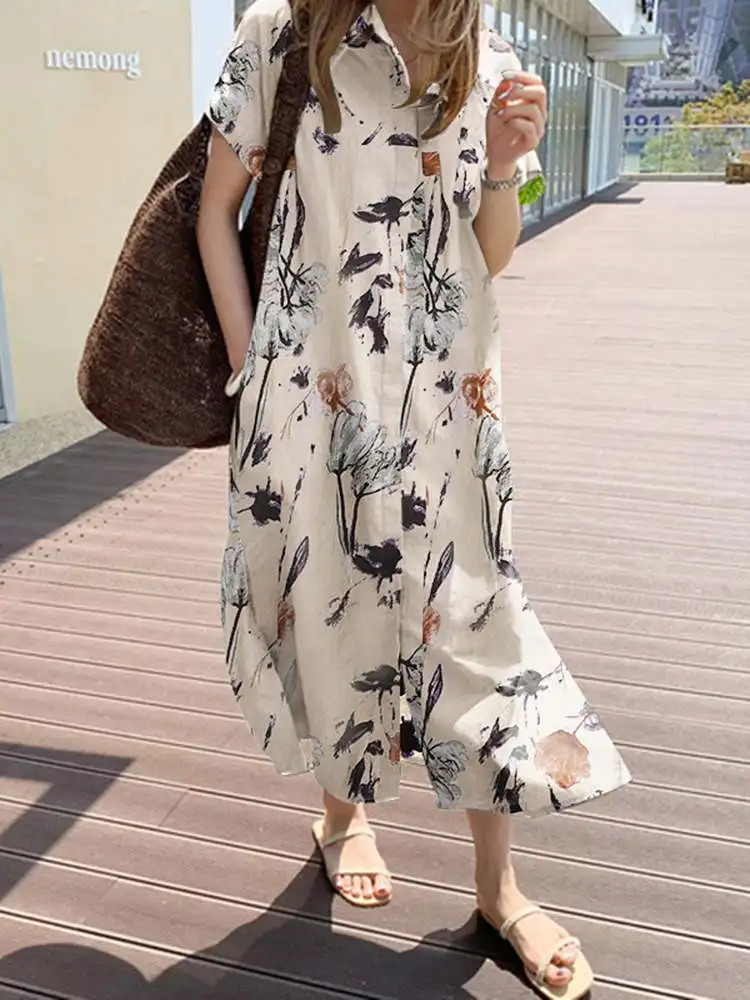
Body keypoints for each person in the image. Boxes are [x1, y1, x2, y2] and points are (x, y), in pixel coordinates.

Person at [198, 1, 631, 997]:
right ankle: (341, 814)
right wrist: (248, 369)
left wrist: (509, 164)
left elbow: (491, 252)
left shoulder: (492, 52)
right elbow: (215, 210)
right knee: (332, 604)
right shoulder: (285, 32)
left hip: (451, 410)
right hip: (313, 406)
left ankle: (499, 887)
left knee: (480, 621)